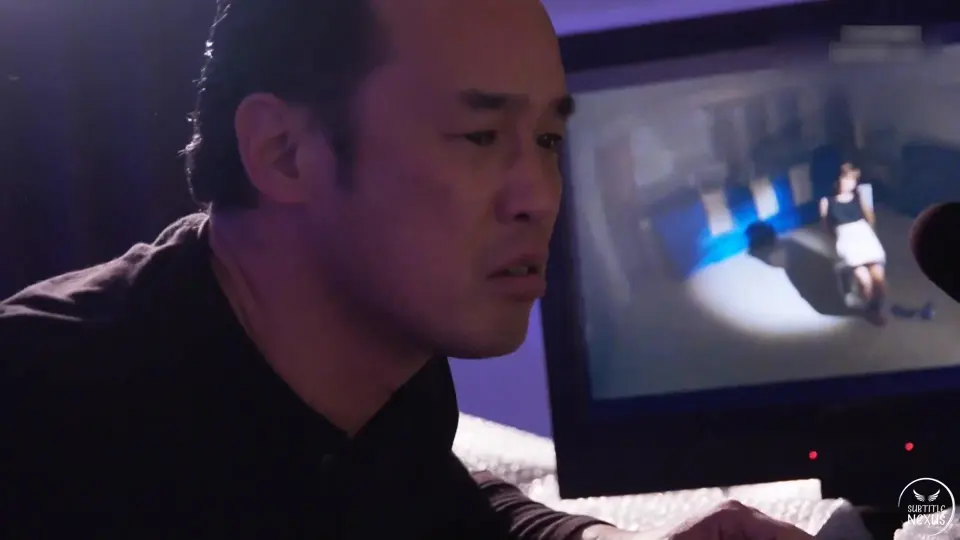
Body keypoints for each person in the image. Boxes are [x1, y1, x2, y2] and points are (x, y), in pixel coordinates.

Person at [0, 1, 815, 539]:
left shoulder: (387, 367)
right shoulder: (43, 409)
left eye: (547, 141)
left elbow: (438, 502)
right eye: (480, 136)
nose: (540, 197)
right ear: (284, 153)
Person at [819, 162, 887, 324]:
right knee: (865, 282)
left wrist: (868, 233)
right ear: (838, 179)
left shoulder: (859, 197)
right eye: (846, 178)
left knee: (879, 280)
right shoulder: (827, 201)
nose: (849, 183)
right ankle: (870, 309)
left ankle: (875, 308)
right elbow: (826, 227)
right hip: (847, 242)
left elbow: (870, 218)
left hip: (864, 237)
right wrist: (838, 241)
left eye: (853, 179)